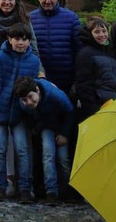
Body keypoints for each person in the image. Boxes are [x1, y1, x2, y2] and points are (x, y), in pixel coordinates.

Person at [0, 22, 41, 204]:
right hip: (0, 109)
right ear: (10, 40)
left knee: (22, 149)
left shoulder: (34, 60)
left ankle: (25, 189)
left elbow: (33, 86)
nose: (21, 43)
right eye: (17, 39)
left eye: (24, 40)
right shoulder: (1, 57)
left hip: (20, 111)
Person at [15, 76, 75, 206]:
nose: (29, 102)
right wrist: (36, 127)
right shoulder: (24, 105)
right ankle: (51, 192)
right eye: (25, 100)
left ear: (37, 90)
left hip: (61, 123)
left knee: (63, 158)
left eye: (31, 97)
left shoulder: (55, 95)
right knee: (48, 154)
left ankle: (67, 191)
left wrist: (64, 133)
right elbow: (30, 116)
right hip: (46, 125)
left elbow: (70, 111)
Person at [29, 0, 81, 95]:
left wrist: (77, 80)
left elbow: (79, 50)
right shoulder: (29, 20)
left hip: (66, 82)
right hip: (40, 81)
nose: (48, 1)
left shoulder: (71, 18)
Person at [71, 16, 116, 123]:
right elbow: (84, 85)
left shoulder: (110, 52)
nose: (102, 35)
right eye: (97, 32)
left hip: (115, 103)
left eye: (104, 31)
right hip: (99, 105)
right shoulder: (85, 54)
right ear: (91, 34)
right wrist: (93, 109)